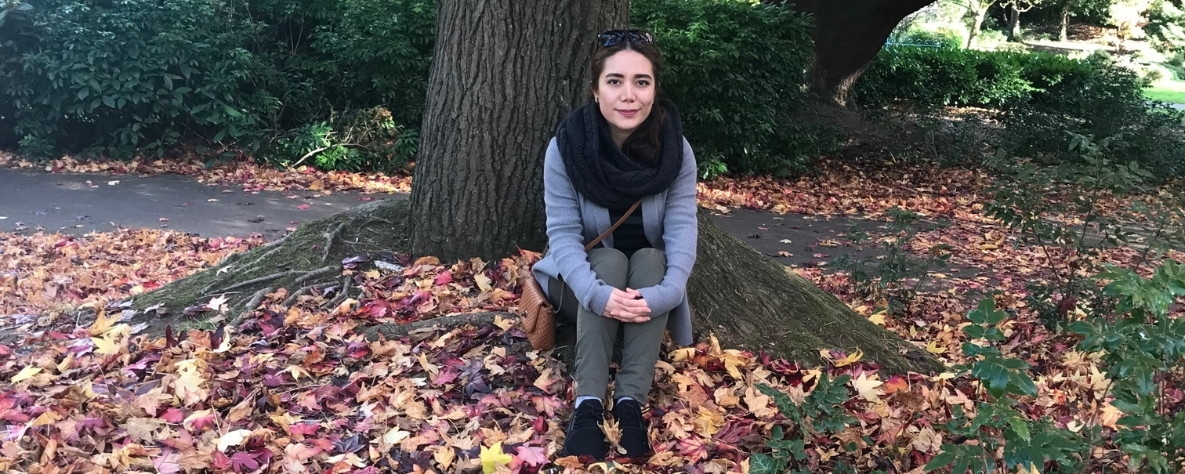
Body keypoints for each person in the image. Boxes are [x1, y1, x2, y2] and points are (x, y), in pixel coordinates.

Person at [530, 29, 698, 461]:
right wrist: (596, 294)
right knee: (605, 258)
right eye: (615, 81)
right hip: (582, 283)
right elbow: (563, 235)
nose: (629, 95)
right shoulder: (566, 149)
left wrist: (669, 291)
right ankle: (587, 406)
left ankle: (629, 405)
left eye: (641, 82)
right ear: (595, 89)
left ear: (655, 89)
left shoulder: (675, 151)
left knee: (650, 257)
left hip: (648, 280)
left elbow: (681, 226)